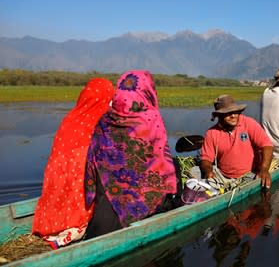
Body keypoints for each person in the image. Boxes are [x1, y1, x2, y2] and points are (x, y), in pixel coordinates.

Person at [83, 70, 177, 239]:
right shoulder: (150, 119)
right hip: (145, 204)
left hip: (106, 208)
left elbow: (93, 162)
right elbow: (162, 168)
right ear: (148, 91)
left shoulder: (105, 120)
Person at [32, 78, 115, 249]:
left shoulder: (71, 117)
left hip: (56, 187)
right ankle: (71, 232)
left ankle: (51, 228)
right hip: (81, 192)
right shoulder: (103, 122)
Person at [199, 94, 273, 190]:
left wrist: (264, 170)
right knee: (196, 171)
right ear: (218, 115)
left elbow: (267, 146)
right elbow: (206, 159)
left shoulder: (248, 123)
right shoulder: (212, 133)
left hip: (251, 174)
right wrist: (208, 171)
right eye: (228, 113)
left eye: (235, 112)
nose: (233, 115)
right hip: (224, 177)